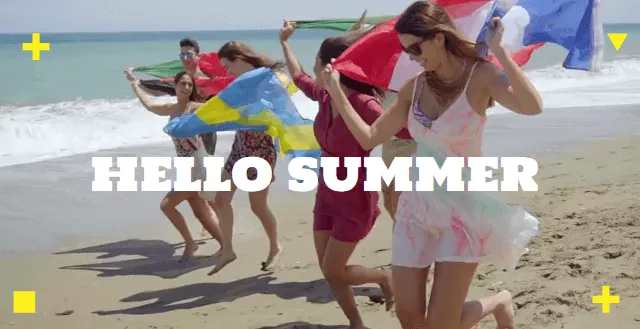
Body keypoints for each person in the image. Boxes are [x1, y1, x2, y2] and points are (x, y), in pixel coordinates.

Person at [320, 1, 542, 328]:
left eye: (415, 47)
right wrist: (337, 93)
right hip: (417, 205)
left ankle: (499, 301)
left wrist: (501, 53)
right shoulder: (416, 86)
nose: (412, 57)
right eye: (406, 51)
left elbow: (531, 106)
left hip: (462, 209)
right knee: (409, 314)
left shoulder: (481, 76)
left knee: (441, 324)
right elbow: (370, 137)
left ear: (438, 37)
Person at [280, 20, 411, 329]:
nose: (313, 69)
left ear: (331, 67)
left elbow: (402, 130)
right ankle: (356, 323)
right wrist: (285, 42)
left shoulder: (363, 103)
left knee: (334, 268)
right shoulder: (325, 96)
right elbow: (297, 77)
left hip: (355, 194)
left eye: (317, 63)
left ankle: (383, 277)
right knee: (329, 269)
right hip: (327, 191)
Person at [124, 68, 225, 260]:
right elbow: (149, 105)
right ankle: (224, 245)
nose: (186, 87)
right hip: (185, 168)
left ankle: (191, 243)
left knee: (167, 205)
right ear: (175, 86)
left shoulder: (194, 108)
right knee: (199, 211)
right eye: (182, 83)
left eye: (189, 84)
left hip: (198, 166)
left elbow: (217, 110)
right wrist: (135, 83)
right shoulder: (172, 109)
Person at [206, 41, 283, 275]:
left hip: (260, 150)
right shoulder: (239, 82)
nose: (227, 72)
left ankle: (275, 247)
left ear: (239, 60)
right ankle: (228, 250)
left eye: (228, 66)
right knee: (220, 200)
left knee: (257, 206)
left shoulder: (266, 80)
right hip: (240, 147)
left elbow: (277, 114)